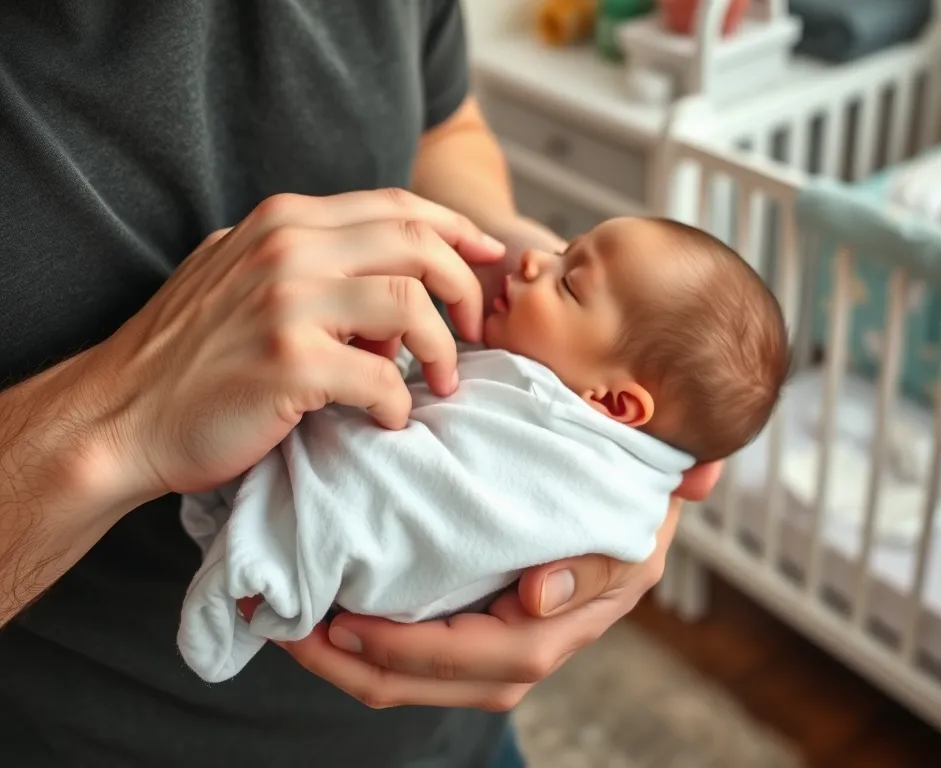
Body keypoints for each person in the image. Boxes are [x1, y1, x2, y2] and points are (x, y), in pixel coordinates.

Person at [0, 2, 721, 766]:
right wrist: (121, 423)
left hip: (460, 743)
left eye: (573, 274)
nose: (546, 262)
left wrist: (497, 246)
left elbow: (445, 127)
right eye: (565, 255)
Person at [175, 215, 786, 687]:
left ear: (615, 405)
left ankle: (279, 549)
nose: (532, 258)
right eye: (563, 246)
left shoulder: (560, 437)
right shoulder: (581, 419)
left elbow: (451, 497)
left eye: (569, 282)